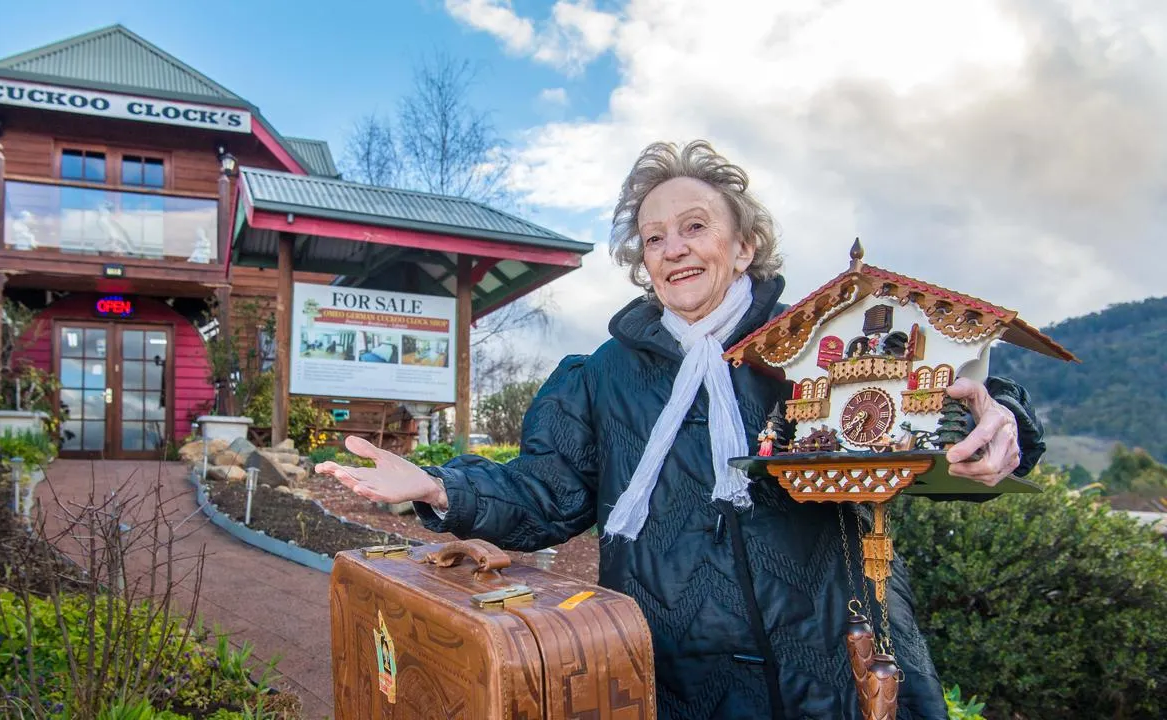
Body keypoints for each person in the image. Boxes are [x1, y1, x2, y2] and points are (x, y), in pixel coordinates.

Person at [315, 140, 1045, 719]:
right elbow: (545, 494)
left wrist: (1002, 420)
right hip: (674, 676)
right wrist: (438, 485)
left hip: (835, 664)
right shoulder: (601, 376)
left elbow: (925, 398)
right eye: (653, 237)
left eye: (695, 227)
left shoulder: (816, 343)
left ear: (744, 246)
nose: (673, 248)